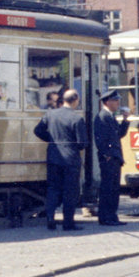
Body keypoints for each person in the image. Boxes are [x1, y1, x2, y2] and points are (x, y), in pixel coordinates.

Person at [33, 89, 88, 230]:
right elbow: (82, 144)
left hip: (53, 157)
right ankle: (68, 223)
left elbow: (37, 130)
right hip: (70, 160)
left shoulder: (50, 114)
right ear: (75, 100)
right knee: (70, 191)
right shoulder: (77, 119)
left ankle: (50, 218)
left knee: (53, 189)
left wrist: (51, 140)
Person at [94, 90, 129, 226]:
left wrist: (125, 120)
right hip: (109, 158)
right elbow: (100, 139)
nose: (118, 103)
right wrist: (106, 155)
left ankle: (112, 216)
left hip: (115, 157)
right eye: (115, 100)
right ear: (107, 102)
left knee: (114, 188)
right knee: (108, 188)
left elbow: (118, 134)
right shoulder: (102, 117)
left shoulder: (110, 116)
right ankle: (106, 217)